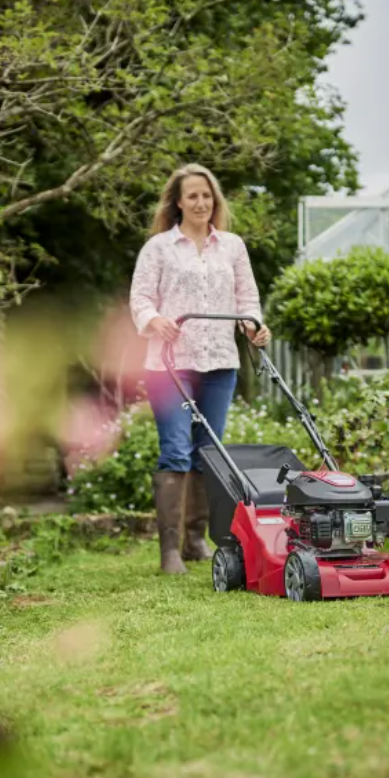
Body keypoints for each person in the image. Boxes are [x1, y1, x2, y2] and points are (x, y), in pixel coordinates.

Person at [129, 164, 271, 574]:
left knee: (209, 454)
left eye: (206, 195)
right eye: (192, 195)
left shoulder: (232, 246)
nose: (200, 202)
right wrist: (153, 320)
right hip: (169, 364)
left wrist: (253, 326)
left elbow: (247, 298)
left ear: (215, 200)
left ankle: (194, 541)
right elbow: (140, 299)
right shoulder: (158, 248)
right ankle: (169, 552)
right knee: (175, 449)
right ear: (177, 201)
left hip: (219, 362)